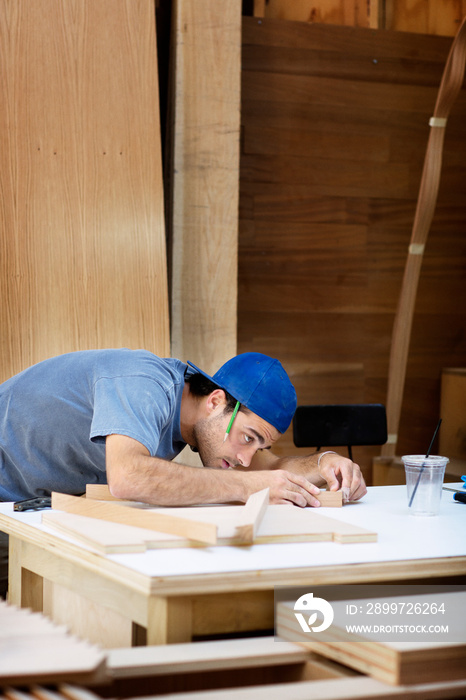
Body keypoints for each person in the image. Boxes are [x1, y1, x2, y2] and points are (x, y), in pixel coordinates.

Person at [0, 349, 366, 596]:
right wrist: (247, 484)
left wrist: (324, 463)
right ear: (217, 401)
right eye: (248, 438)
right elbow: (129, 477)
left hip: (23, 507)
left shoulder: (201, 424)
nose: (245, 459)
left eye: (260, 446)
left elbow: (269, 471)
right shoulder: (144, 384)